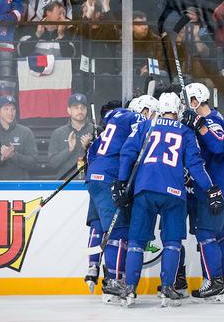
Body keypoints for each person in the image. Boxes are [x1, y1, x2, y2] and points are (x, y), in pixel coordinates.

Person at [115, 92, 222, 307]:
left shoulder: (146, 125)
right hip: (173, 193)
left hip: (145, 189)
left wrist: (121, 182)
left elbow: (128, 153)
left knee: (136, 241)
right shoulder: (185, 131)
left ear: (160, 109)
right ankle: (167, 287)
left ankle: (129, 289)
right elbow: (194, 165)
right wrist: (210, 188)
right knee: (172, 242)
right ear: (178, 109)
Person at [181, 82, 224, 302]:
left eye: (187, 101)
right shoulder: (213, 117)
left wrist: (200, 125)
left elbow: (218, 145)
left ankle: (214, 282)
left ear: (196, 101)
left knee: (206, 234)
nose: (184, 106)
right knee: (219, 235)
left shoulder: (211, 121)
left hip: (219, 187)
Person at [84, 102, 142, 303]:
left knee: (98, 224)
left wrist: (96, 171)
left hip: (95, 175)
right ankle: (113, 280)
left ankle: (93, 265)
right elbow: (133, 151)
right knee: (118, 230)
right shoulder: (135, 119)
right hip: (110, 176)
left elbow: (91, 151)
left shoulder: (113, 121)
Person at [0, 95, 39, 180]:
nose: (10, 112)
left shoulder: (25, 132)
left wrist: (13, 155)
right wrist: (1, 159)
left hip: (19, 186)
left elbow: (33, 162)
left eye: (13, 109)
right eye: (6, 109)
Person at [47, 92, 94, 178]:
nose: (80, 111)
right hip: (65, 184)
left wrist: (89, 148)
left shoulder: (96, 131)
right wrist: (69, 150)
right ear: (69, 110)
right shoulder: (58, 133)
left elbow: (104, 161)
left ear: (87, 110)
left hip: (90, 182)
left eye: (83, 108)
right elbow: (52, 164)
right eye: (76, 108)